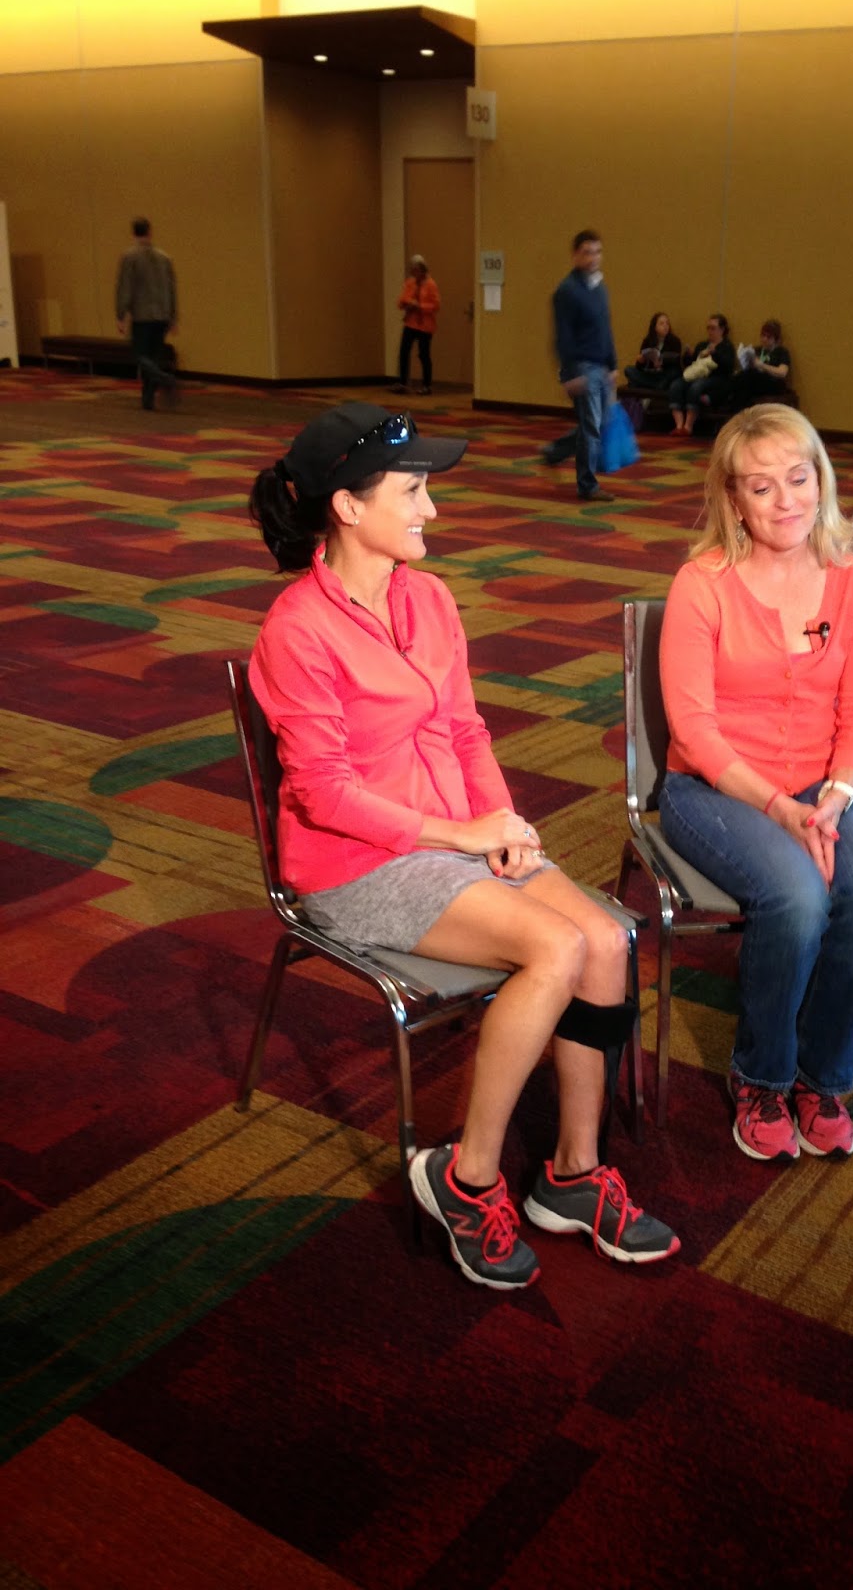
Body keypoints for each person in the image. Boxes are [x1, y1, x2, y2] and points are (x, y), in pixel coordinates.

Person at [248, 402, 679, 1290]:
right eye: (411, 492)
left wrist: (505, 827)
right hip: (355, 865)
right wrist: (462, 834)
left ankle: (573, 1173)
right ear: (348, 507)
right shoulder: (296, 629)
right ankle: (466, 1178)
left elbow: (464, 730)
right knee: (556, 948)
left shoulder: (430, 598)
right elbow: (323, 794)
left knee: (609, 940)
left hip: (454, 838)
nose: (431, 509)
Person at [657, 404, 853, 1164]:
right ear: (733, 500)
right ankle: (762, 1076)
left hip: (823, 787)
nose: (786, 500)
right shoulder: (702, 583)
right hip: (715, 789)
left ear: (821, 481)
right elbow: (693, 730)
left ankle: (821, 1079)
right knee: (797, 898)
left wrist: (837, 795)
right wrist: (777, 807)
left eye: (799, 479)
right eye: (761, 488)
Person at [542, 229, 618, 504]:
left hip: (600, 366)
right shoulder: (567, 291)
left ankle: (555, 452)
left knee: (599, 423)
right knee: (591, 426)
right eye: (587, 252)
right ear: (575, 255)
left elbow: (605, 328)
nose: (593, 258)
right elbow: (563, 336)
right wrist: (570, 373)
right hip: (581, 367)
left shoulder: (599, 287)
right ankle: (587, 485)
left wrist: (612, 364)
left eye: (597, 252)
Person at [115, 217, 178, 411]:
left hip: (142, 315)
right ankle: (147, 399)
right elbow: (172, 289)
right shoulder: (165, 257)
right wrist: (173, 316)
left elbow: (125, 287)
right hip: (162, 314)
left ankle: (165, 379)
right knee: (153, 357)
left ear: (133, 233)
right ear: (150, 232)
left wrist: (121, 314)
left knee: (140, 355)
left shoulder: (129, 257)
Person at [667, 313, 736, 435]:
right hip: (697, 375)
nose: (710, 331)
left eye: (713, 328)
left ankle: (688, 426)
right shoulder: (702, 345)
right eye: (708, 328)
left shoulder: (727, 347)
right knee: (676, 385)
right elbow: (691, 364)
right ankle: (679, 425)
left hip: (716, 378)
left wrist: (714, 354)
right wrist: (688, 356)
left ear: (722, 330)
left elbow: (728, 367)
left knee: (696, 386)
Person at [395, 255, 441, 395]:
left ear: (422, 270)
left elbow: (436, 305)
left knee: (423, 355)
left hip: (425, 325)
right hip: (410, 323)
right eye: (412, 270)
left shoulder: (431, 284)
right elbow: (401, 300)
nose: (414, 273)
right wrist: (409, 302)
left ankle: (427, 385)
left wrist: (420, 306)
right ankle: (403, 383)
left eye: (416, 270)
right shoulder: (410, 283)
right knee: (403, 352)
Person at [731, 319, 792, 410]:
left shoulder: (781, 352)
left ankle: (738, 410)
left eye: (768, 337)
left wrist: (761, 365)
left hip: (773, 382)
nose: (764, 339)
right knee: (739, 378)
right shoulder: (757, 350)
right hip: (755, 381)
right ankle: (738, 409)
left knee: (748, 377)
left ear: (776, 339)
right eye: (763, 336)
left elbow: (782, 372)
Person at [624, 312, 683, 391]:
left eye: (667, 323)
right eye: (661, 324)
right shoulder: (648, 341)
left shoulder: (675, 341)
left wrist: (662, 362)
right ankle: (657, 385)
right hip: (651, 374)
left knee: (675, 372)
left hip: (665, 373)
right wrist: (640, 361)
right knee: (628, 370)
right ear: (655, 327)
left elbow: (676, 363)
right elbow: (639, 367)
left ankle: (647, 384)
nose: (665, 326)